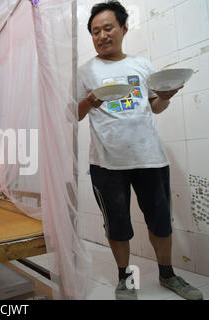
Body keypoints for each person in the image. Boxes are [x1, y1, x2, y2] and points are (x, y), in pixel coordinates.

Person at [78, 1, 203, 300]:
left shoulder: (142, 66)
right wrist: (91, 99)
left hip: (150, 158)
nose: (102, 36)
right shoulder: (86, 71)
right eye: (95, 31)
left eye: (108, 28)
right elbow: (74, 114)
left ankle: (168, 275)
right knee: (117, 225)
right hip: (107, 162)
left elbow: (154, 108)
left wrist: (166, 96)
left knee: (160, 221)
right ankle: (126, 279)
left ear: (123, 28)